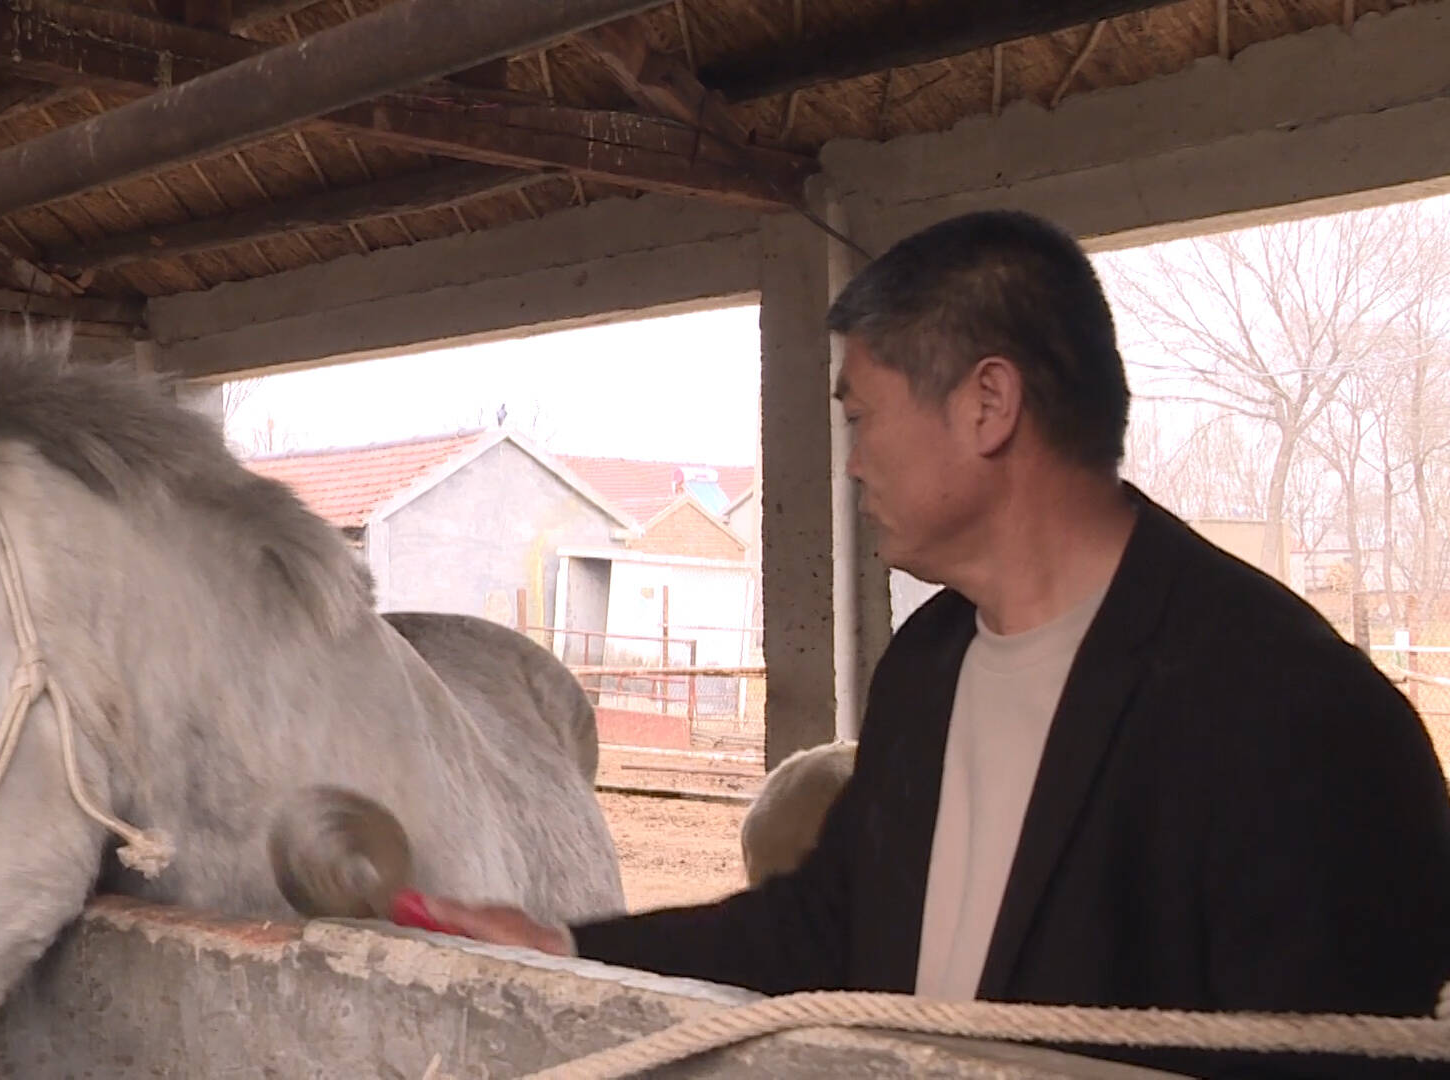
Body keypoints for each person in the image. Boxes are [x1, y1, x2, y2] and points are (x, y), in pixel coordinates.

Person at [416, 209, 1450, 1079]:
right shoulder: (929, 666)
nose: (853, 463)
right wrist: (568, 947)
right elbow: (825, 929)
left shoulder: (1301, 717)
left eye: (862, 417)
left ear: (988, 405)